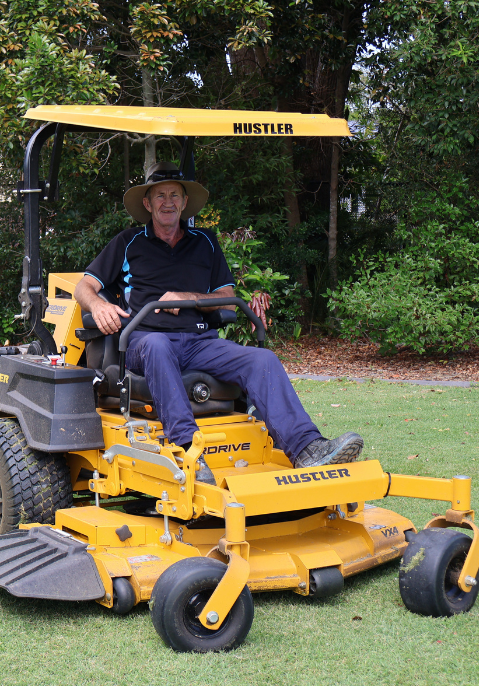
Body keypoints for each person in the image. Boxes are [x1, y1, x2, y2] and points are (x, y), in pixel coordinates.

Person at [73, 162, 362, 484]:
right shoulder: (128, 242)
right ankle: (187, 450)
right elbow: (84, 286)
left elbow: (226, 298)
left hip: (200, 342)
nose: (167, 202)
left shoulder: (205, 242)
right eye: (159, 196)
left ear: (184, 203)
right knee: (157, 345)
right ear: (147, 203)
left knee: (262, 358)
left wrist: (185, 296)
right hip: (145, 340)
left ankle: (308, 448)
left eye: (174, 196)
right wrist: (99, 306)